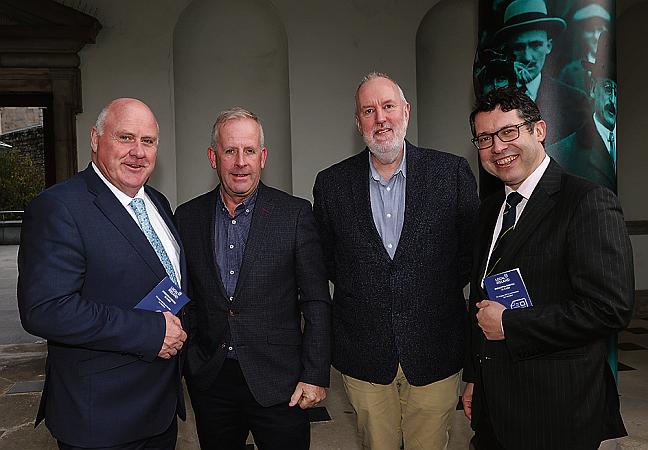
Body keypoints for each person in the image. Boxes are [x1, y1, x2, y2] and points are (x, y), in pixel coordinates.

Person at [313, 72, 479, 450]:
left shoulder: (450, 173)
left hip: (436, 348)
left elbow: (471, 255)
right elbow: (328, 261)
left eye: (388, 106)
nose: (380, 118)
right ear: (358, 123)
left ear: (405, 111)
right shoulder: (331, 184)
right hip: (365, 354)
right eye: (368, 111)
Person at [463, 87, 634, 450]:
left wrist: (511, 324)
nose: (497, 147)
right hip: (494, 409)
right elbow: (481, 300)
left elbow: (610, 308)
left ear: (538, 130)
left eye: (509, 132)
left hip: (556, 410)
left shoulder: (587, 201)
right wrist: (474, 377)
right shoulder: (489, 210)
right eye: (485, 138)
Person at [17, 98, 187, 449]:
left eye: (148, 141)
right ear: (96, 139)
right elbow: (45, 308)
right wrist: (149, 331)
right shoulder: (59, 207)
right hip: (101, 418)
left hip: (160, 409)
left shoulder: (158, 202)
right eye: (126, 138)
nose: (138, 152)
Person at [175, 107, 331, 450]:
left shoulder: (294, 214)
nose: (240, 162)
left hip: (280, 382)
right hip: (212, 380)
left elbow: (316, 301)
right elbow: (184, 296)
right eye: (230, 151)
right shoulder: (187, 217)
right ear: (213, 157)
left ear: (262, 157)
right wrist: (189, 362)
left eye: (248, 151)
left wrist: (314, 374)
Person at [494, 0, 590, 144]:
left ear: (548, 46)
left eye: (536, 45)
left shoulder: (575, 100)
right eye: (519, 47)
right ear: (508, 50)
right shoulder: (494, 97)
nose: (527, 57)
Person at [548, 30, 617, 192]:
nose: (612, 101)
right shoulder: (562, 152)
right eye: (607, 88)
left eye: (617, 92)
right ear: (593, 88)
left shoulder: (626, 144)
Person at [559, 2, 611, 94]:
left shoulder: (614, 68)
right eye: (590, 31)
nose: (596, 37)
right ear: (582, 35)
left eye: (600, 30)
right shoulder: (570, 72)